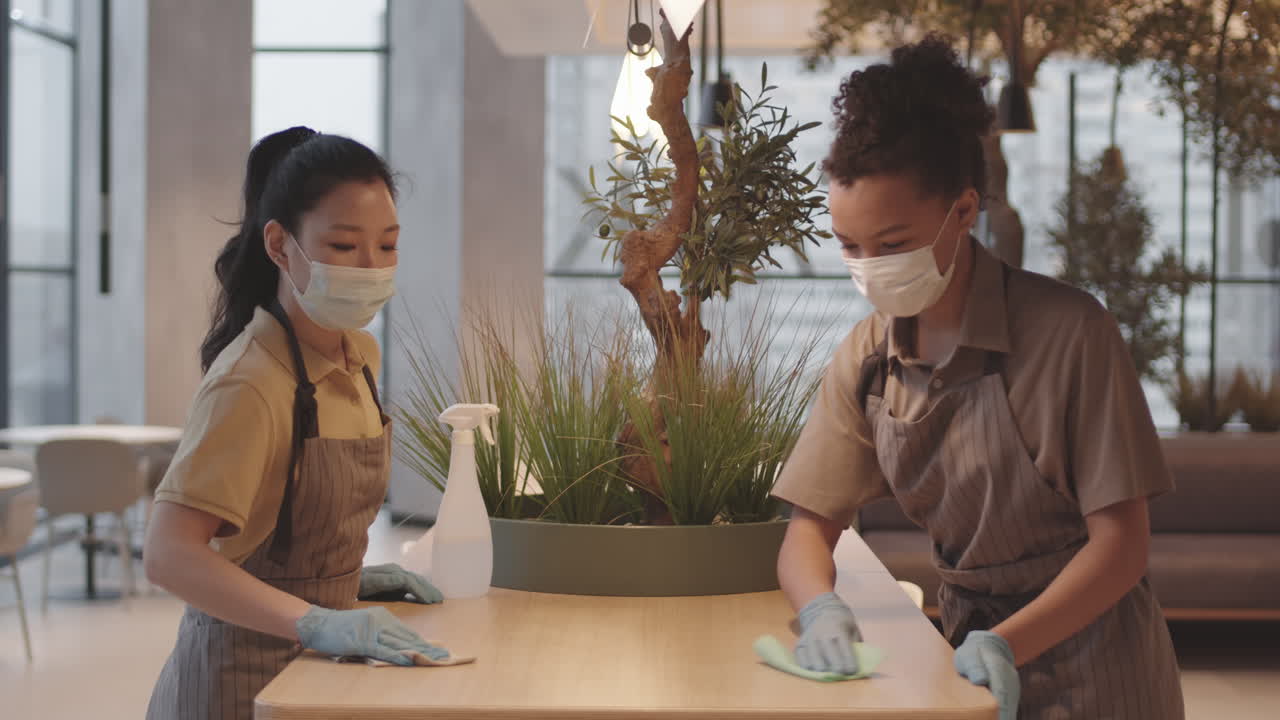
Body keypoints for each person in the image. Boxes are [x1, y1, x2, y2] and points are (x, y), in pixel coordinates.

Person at [772, 36, 1184, 719]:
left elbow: (1121, 547)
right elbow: (807, 531)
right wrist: (820, 608)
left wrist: (1006, 644)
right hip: (967, 664)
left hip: (1101, 665)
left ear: (963, 211)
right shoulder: (868, 358)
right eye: (850, 246)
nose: (869, 267)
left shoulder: (1073, 335)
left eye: (894, 244)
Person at [145, 127, 453, 720]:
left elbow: (280, 531)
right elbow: (168, 555)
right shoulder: (251, 381)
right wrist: (314, 618)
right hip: (240, 685)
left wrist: (343, 581)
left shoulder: (360, 357)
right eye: (343, 247)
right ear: (281, 246)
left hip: (321, 683)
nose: (371, 266)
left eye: (387, 246)